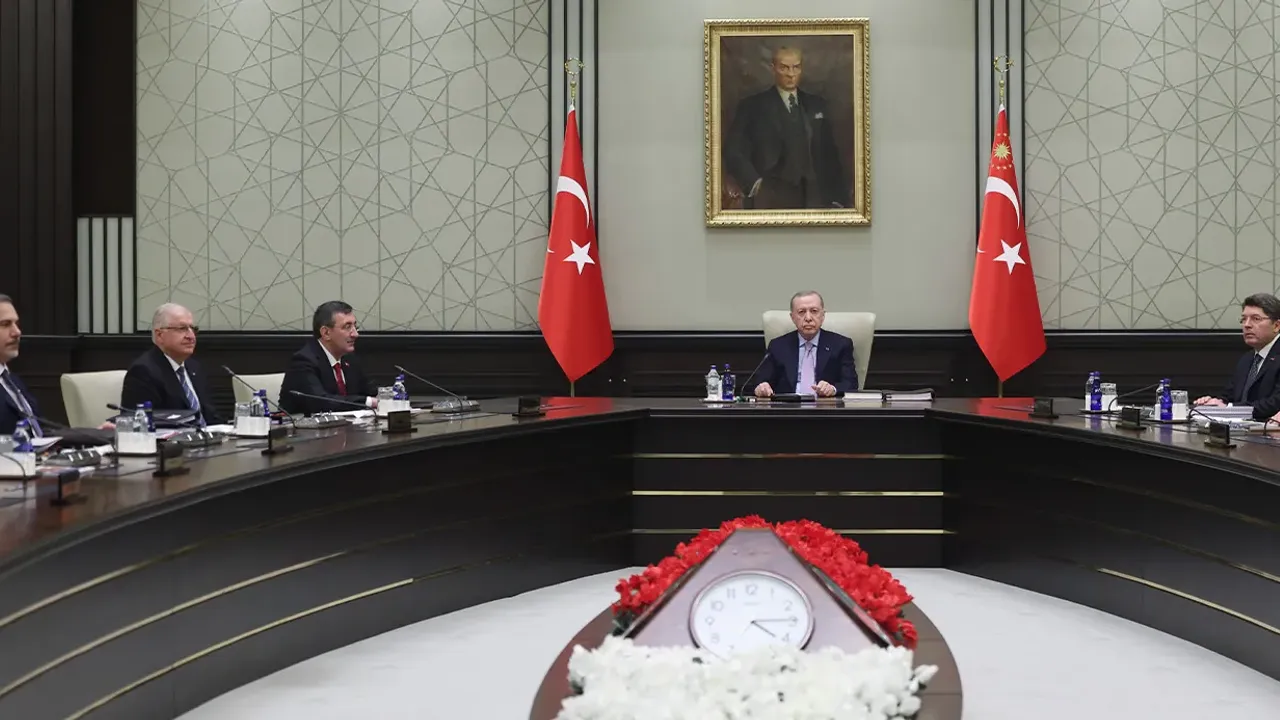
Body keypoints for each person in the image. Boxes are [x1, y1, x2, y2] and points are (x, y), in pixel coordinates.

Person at [723, 46, 849, 210]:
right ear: (773, 68)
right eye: (784, 68)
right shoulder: (752, 106)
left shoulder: (817, 105)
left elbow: (830, 156)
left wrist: (837, 199)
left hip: (814, 198)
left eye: (796, 67)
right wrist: (755, 183)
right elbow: (733, 150)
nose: (791, 74)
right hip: (769, 199)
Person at [0, 294, 114, 443]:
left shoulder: (11, 380)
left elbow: (41, 432)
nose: (17, 332)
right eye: (5, 324)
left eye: (16, 324)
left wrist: (93, 435)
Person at [122, 303, 222, 426]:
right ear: (160, 335)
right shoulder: (143, 371)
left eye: (193, 329)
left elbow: (211, 415)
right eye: (182, 329)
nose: (191, 336)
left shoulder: (194, 367)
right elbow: (141, 424)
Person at [748, 291, 857, 398]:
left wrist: (833, 389)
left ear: (823, 315)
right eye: (801, 312)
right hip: (788, 406)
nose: (808, 318)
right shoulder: (777, 346)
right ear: (792, 317)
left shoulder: (840, 345)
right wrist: (762, 388)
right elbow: (761, 383)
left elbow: (851, 384)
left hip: (825, 406)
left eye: (814, 311)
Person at [279, 301, 378, 415]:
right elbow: (321, 402)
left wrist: (386, 396)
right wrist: (368, 402)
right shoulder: (303, 361)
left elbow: (370, 391)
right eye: (347, 327)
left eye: (355, 327)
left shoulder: (349, 359)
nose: (355, 334)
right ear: (326, 333)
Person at [1195, 293, 1280, 421]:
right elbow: (1228, 396)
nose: (1247, 325)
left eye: (1256, 319)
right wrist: (1213, 403)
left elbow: (1275, 403)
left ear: (1276, 326)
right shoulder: (1247, 359)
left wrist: (1230, 408)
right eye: (1244, 319)